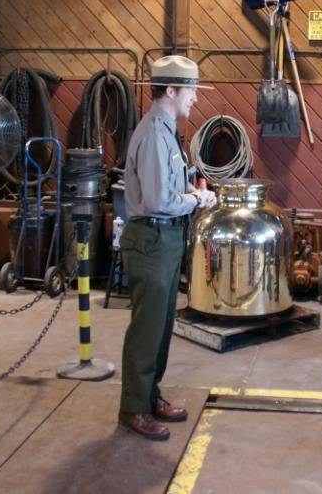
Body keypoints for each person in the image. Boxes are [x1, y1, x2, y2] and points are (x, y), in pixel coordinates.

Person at [118, 55, 217, 441]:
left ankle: (148, 395)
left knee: (160, 328)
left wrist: (191, 190)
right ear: (171, 91)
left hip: (165, 238)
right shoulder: (155, 134)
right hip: (153, 238)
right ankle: (133, 408)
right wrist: (196, 201)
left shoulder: (166, 130)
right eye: (190, 90)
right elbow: (160, 200)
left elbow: (168, 190)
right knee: (147, 330)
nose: (194, 98)